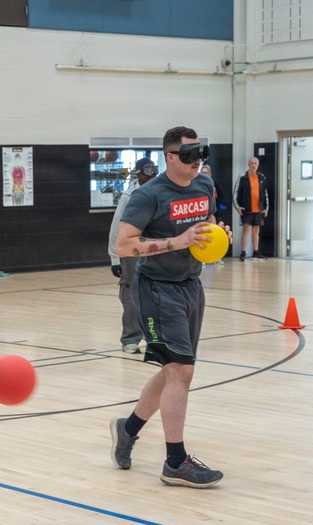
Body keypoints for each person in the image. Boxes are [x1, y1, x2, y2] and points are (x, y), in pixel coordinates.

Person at [109, 126, 231, 488]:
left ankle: (128, 428)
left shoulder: (204, 185)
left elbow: (205, 223)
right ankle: (175, 462)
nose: (198, 162)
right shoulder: (149, 195)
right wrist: (176, 241)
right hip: (156, 290)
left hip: (191, 286)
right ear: (171, 156)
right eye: (190, 156)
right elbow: (124, 246)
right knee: (182, 371)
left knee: (171, 371)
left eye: (201, 154)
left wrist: (214, 232)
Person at [109, 157, 157, 353]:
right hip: (130, 251)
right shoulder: (129, 196)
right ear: (138, 173)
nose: (151, 174)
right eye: (147, 170)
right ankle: (130, 338)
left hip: (153, 248)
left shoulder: (159, 191)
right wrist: (114, 257)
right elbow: (115, 227)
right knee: (131, 293)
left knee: (155, 292)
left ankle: (154, 337)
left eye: (153, 170)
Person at [233, 156, 270, 261]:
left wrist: (266, 207)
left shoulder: (262, 177)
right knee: (246, 229)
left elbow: (265, 193)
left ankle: (256, 251)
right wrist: (237, 207)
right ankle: (243, 251)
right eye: (251, 163)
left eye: (255, 163)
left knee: (256, 230)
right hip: (247, 209)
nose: (253, 165)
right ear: (248, 165)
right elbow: (236, 193)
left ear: (258, 165)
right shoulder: (243, 177)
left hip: (258, 209)